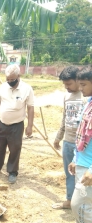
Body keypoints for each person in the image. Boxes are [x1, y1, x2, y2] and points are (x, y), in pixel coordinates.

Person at [0, 64, 34, 184]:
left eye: (12, 79)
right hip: (1, 123)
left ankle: (12, 171)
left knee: (15, 148)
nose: (10, 82)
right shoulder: (3, 87)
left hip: (16, 125)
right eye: (8, 79)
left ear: (18, 76)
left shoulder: (27, 89)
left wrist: (29, 126)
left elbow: (30, 108)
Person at [52, 66, 86, 210]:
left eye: (69, 84)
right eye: (64, 84)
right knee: (69, 173)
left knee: (82, 174)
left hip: (82, 145)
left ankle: (83, 204)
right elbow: (64, 119)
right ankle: (69, 200)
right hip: (68, 141)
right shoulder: (67, 97)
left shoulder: (86, 97)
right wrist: (58, 137)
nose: (67, 87)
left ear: (78, 80)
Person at [67, 65, 92, 223]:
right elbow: (81, 135)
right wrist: (75, 158)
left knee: (79, 204)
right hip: (82, 163)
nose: (80, 88)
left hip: (89, 167)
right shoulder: (89, 103)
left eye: (83, 84)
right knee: (82, 206)